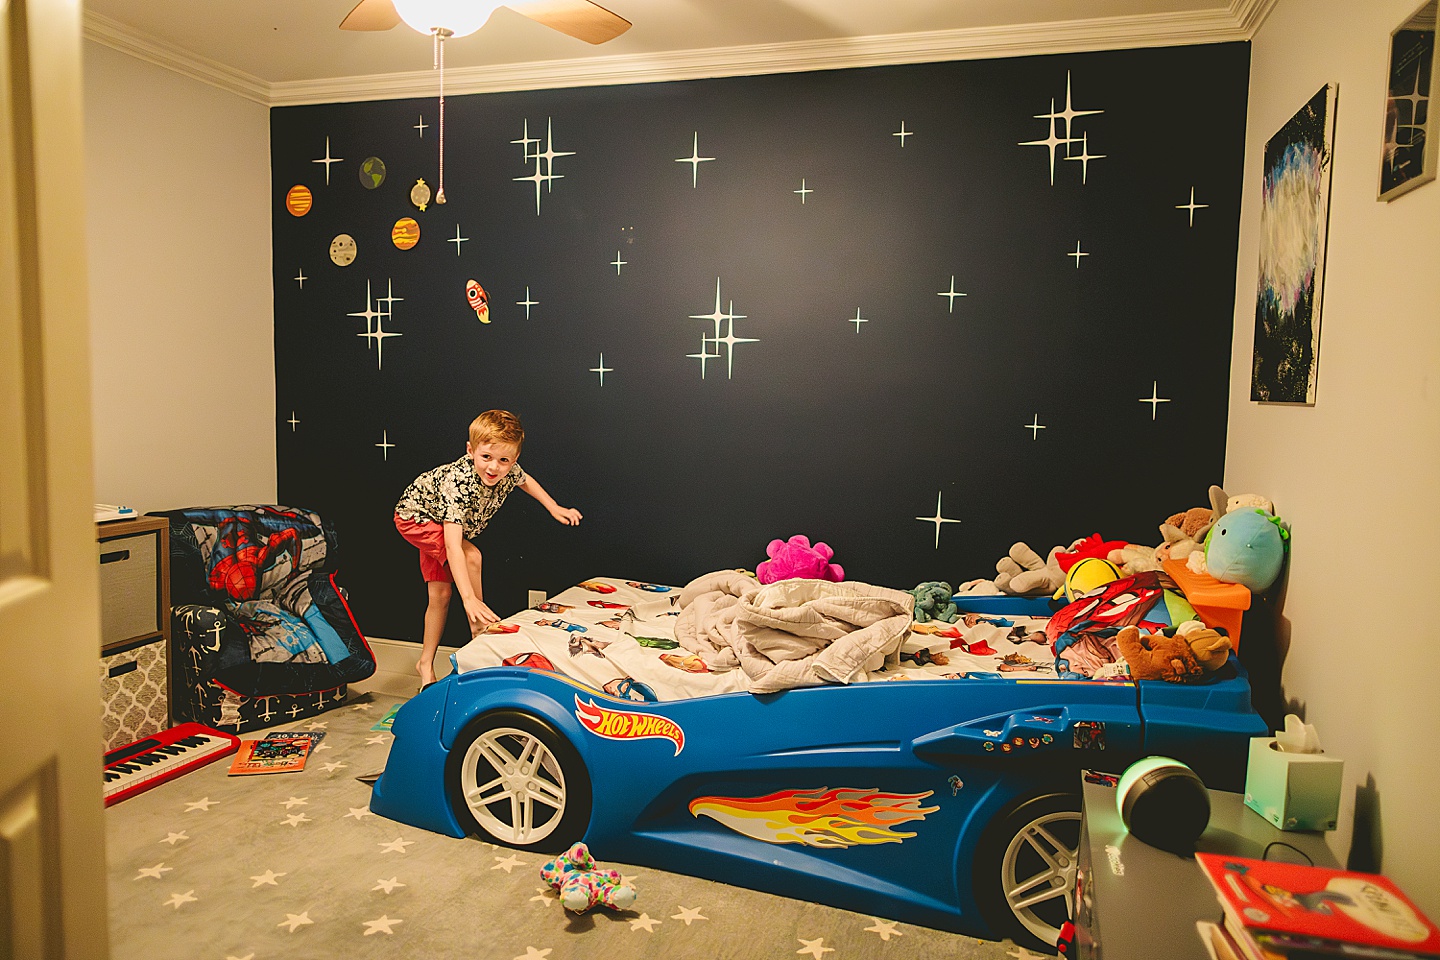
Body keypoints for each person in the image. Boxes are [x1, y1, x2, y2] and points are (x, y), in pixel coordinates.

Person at [394, 409, 581, 686]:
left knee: (441, 594)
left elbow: (525, 481)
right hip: (415, 519)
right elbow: (454, 546)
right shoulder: (457, 484)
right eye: (486, 457)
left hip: (435, 519)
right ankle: (479, 630)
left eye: (503, 460)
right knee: (472, 556)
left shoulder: (509, 470)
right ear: (471, 450)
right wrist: (470, 599)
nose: (494, 467)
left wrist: (554, 507)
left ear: (514, 459)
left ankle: (425, 663)